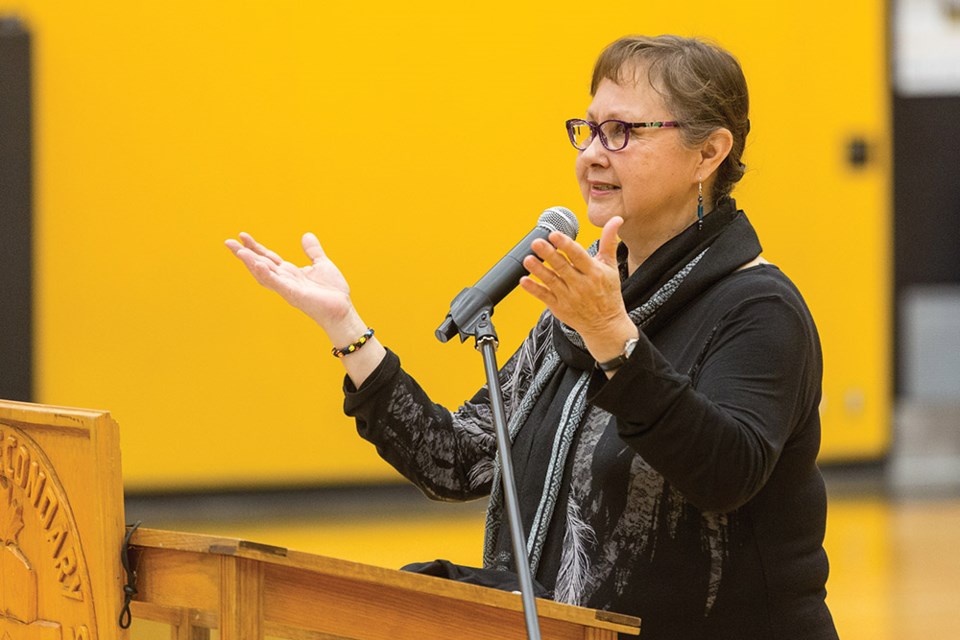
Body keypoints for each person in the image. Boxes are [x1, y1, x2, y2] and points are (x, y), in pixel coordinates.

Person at [226, 35, 839, 640]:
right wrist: (345, 327)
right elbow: (459, 459)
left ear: (708, 154)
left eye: (623, 132)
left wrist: (612, 337)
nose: (594, 154)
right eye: (589, 129)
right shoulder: (584, 305)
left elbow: (725, 473)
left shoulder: (758, 307)